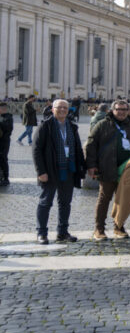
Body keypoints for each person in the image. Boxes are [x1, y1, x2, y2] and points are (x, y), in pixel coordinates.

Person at [85, 100, 130, 240]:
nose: (121, 112)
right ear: (112, 110)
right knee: (104, 199)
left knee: (122, 200)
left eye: (124, 109)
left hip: (127, 170)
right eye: (118, 109)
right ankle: (99, 228)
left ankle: (119, 226)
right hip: (107, 168)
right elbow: (91, 145)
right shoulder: (102, 125)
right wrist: (91, 165)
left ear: (128, 111)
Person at [32, 100, 85, 244]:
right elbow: (36, 150)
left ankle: (62, 232)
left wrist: (82, 168)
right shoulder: (45, 126)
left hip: (68, 169)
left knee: (65, 203)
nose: (62, 110)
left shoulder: (72, 127)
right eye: (59, 107)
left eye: (65, 108)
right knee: (45, 202)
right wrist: (40, 171)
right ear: (52, 109)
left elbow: (78, 149)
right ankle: (41, 233)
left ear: (68, 110)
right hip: (50, 170)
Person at [0, 102, 12, 187]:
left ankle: (6, 178)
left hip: (4, 142)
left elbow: (7, 128)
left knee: (3, 159)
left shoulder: (8, 117)